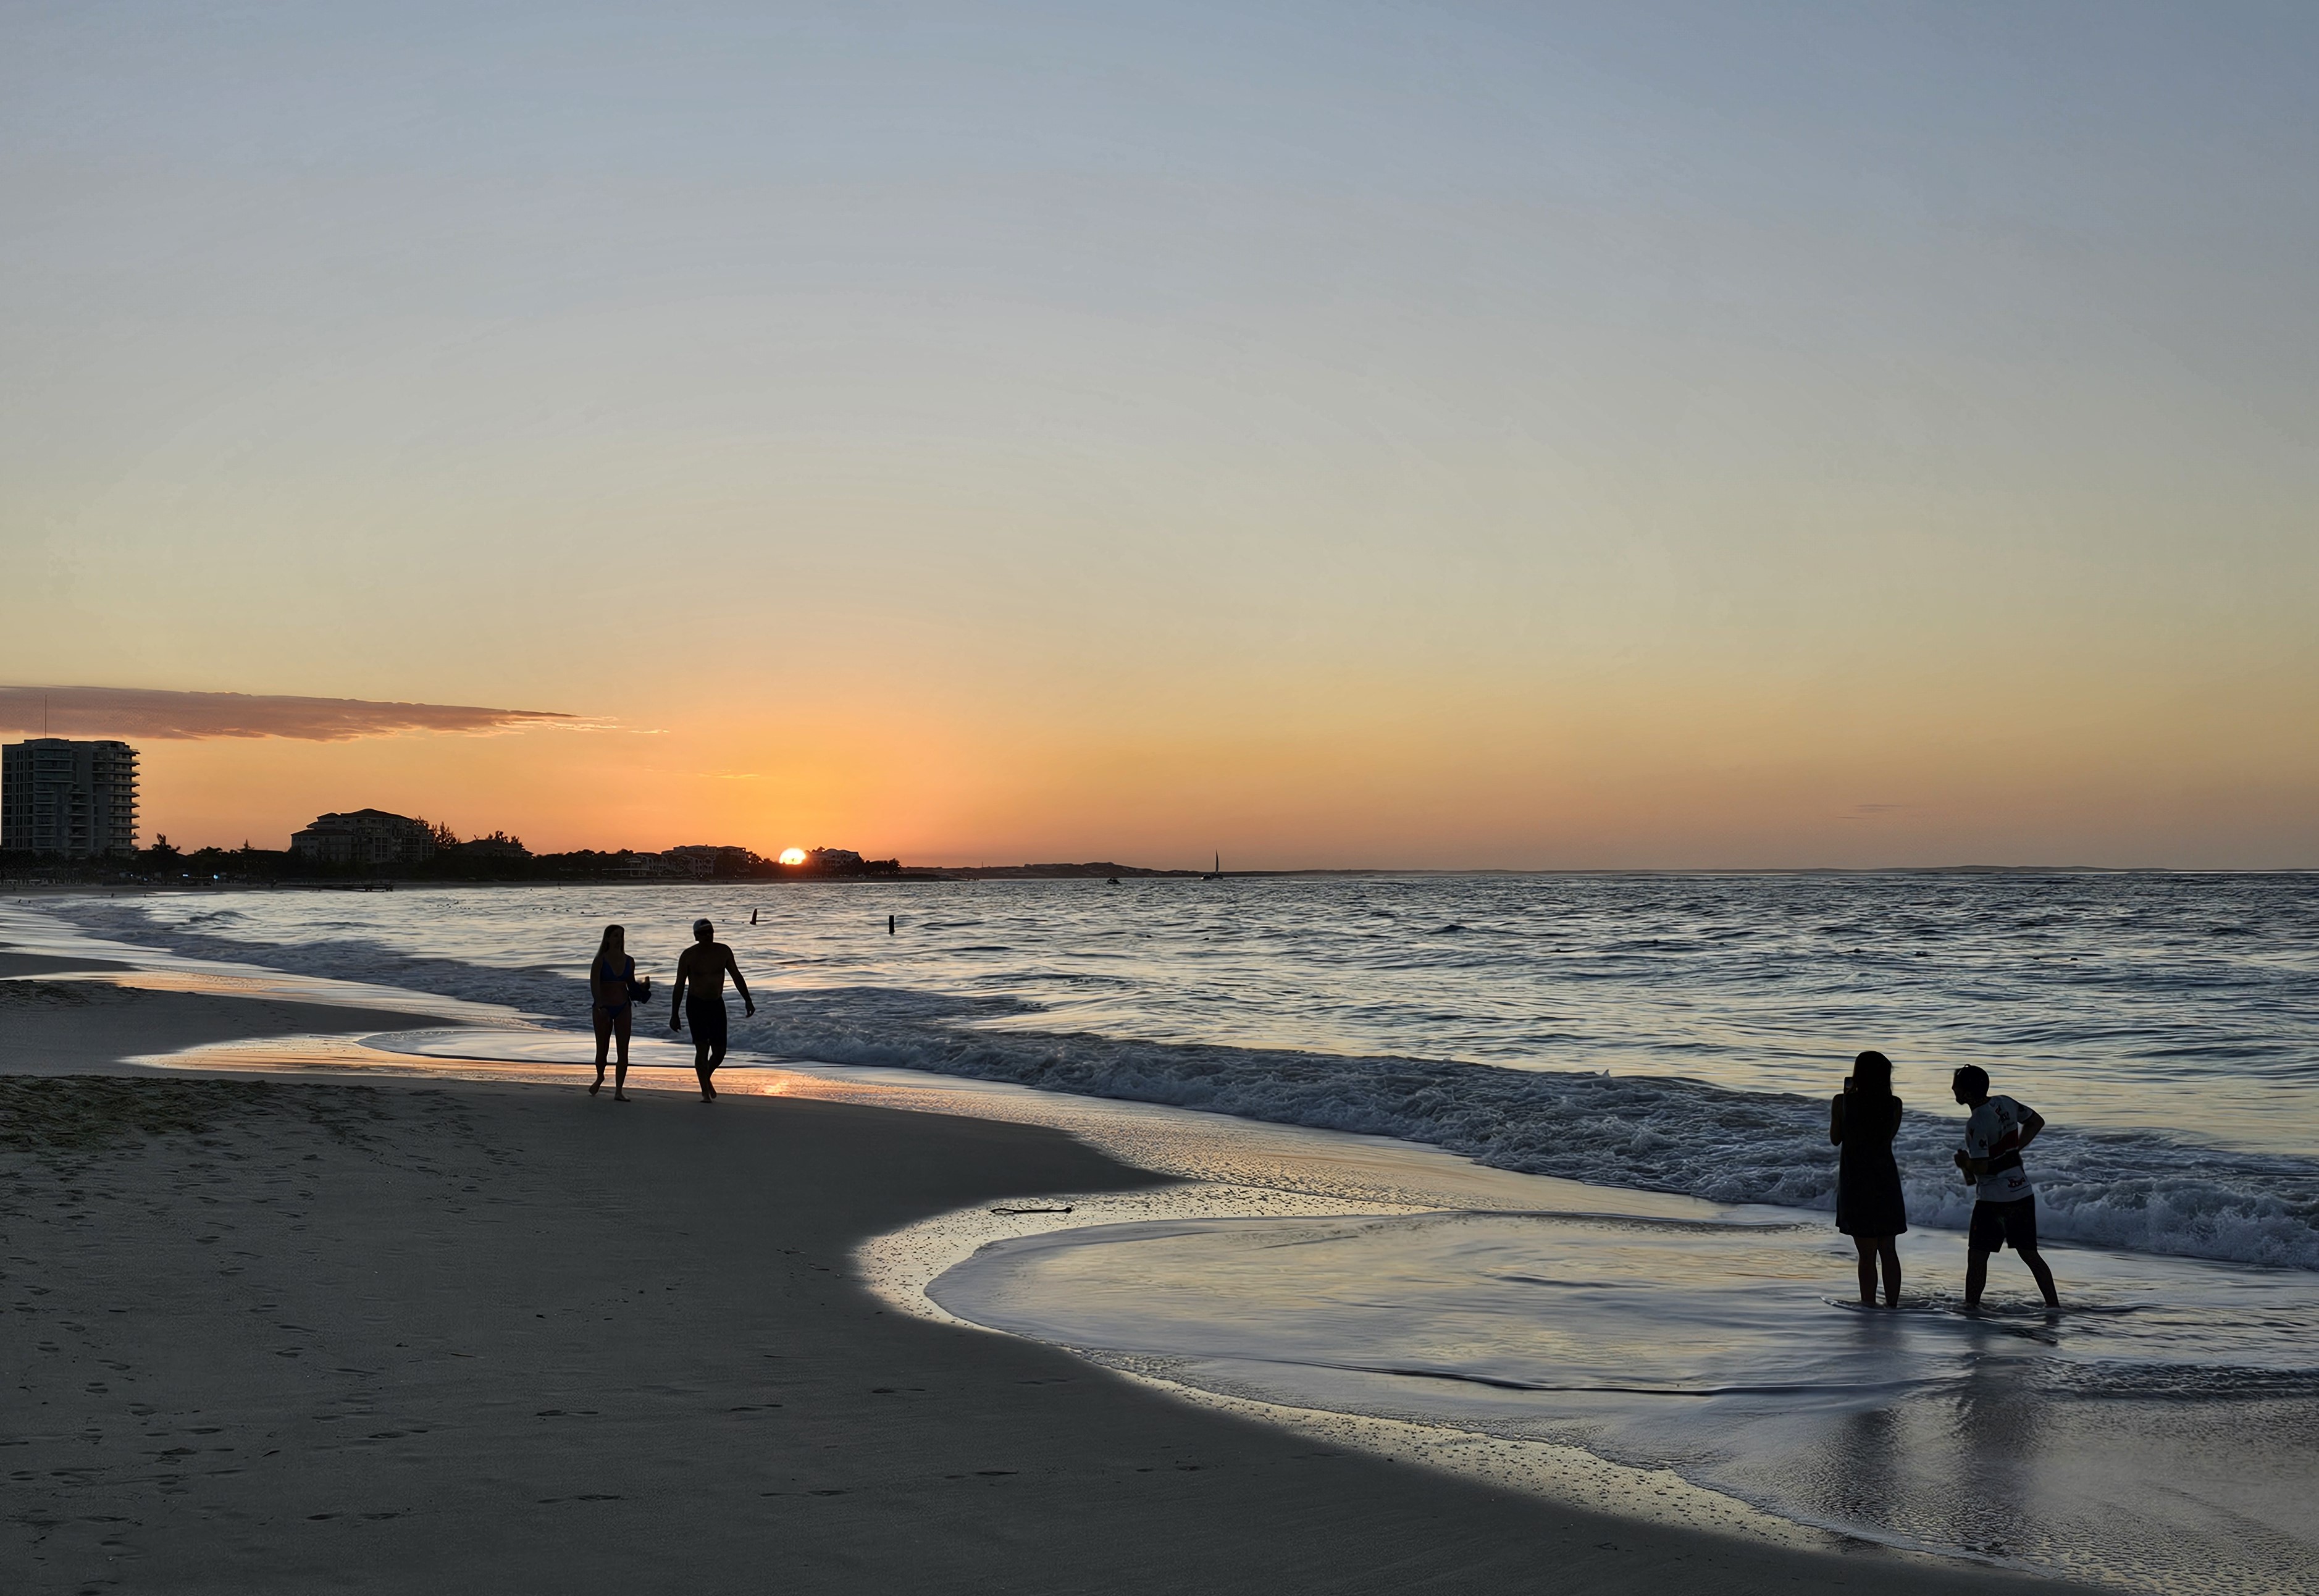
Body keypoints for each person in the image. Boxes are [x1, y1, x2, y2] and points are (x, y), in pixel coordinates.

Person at [1952, 1065, 2060, 1311]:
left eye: (1956, 1085)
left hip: (1993, 1200)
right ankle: (2054, 1306)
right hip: (2022, 1192)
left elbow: (1980, 1167)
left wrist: (1964, 1162)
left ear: (1967, 1094)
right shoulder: (2005, 1102)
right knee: (2030, 1255)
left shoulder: (1977, 1122)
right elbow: (2036, 1121)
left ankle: (1971, 1308)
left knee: (1978, 1257)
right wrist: (2015, 1149)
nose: (1952, 1089)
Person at [1831, 1049, 1907, 1306]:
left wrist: (1845, 1101)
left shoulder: (1843, 1102)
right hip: (1886, 1177)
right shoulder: (1894, 1104)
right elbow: (1888, 1138)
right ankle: (1893, 1305)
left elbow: (1835, 1138)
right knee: (1888, 1249)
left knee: (1866, 1254)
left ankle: (1869, 1305)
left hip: (1857, 1178)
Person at [670, 917, 753, 1101]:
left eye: (711, 932)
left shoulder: (723, 951)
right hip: (696, 1004)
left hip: (716, 1003)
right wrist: (674, 1014)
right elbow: (679, 986)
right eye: (704, 933)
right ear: (696, 936)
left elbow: (737, 976)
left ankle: (705, 1076)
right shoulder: (688, 956)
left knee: (720, 1051)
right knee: (702, 1048)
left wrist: (747, 999)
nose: (709, 935)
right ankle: (705, 1092)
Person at [587, 925, 647, 1102]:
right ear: (607, 939)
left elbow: (631, 987)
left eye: (621, 936)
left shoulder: (629, 961)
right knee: (602, 1049)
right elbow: (594, 986)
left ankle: (619, 1091)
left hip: (623, 1007)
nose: (618, 939)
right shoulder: (600, 960)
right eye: (615, 936)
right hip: (603, 1008)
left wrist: (643, 988)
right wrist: (600, 1006)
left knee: (623, 1050)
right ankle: (600, 1077)